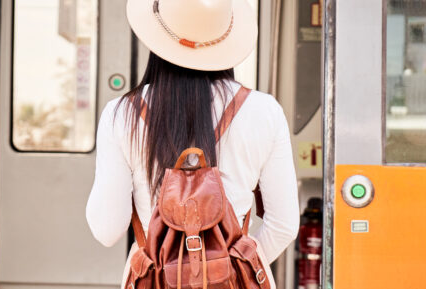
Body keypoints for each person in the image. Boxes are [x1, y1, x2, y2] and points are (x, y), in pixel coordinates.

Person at [86, 0, 299, 286]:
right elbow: (284, 226)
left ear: (157, 40)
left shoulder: (121, 114)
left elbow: (107, 230)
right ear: (225, 41)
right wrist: (229, 266)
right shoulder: (265, 110)